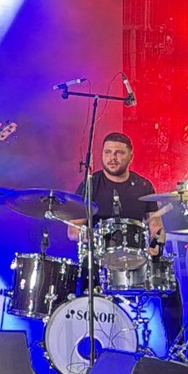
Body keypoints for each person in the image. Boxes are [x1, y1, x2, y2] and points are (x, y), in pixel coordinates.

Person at [66, 132, 182, 350]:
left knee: (170, 286)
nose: (112, 157)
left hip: (138, 259)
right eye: (108, 152)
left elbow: (156, 227)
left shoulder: (143, 186)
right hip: (101, 260)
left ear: (130, 156)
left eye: (119, 153)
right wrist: (90, 235)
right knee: (83, 280)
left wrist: (156, 246)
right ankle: (87, 348)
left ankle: (176, 350)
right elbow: (73, 231)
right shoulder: (91, 184)